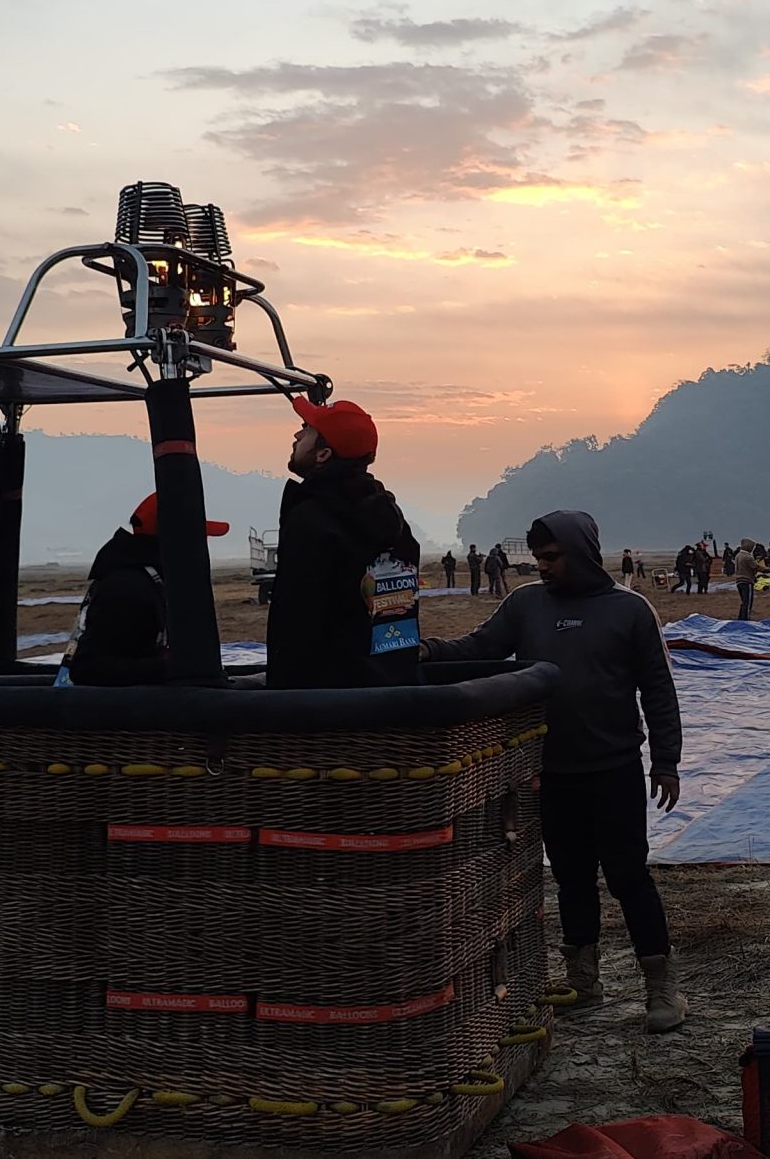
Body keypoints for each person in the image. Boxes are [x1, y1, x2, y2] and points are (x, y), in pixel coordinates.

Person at [425, 511, 686, 1033]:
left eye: (551, 557)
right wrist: (425, 651)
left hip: (613, 770)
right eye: (538, 558)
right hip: (550, 772)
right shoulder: (525, 605)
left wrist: (666, 762)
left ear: (582, 553)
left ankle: (662, 987)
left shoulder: (630, 610)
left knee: (628, 876)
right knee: (570, 876)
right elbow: (478, 649)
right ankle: (583, 979)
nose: (541, 566)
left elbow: (658, 691)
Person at [267, 396, 422, 688]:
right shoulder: (393, 523)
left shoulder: (312, 519)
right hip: (394, 690)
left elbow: (295, 622)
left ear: (323, 454)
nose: (297, 435)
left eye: (306, 429)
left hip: (327, 699)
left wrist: (282, 697)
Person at [59, 494, 230, 686]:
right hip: (114, 705)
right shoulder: (126, 589)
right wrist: (174, 668)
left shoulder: (148, 581)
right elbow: (88, 669)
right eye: (198, 539)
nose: (203, 547)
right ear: (176, 540)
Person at [735, 539, 764, 621]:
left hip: (739, 581)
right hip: (747, 581)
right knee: (748, 602)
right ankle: (746, 619)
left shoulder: (738, 555)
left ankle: (741, 617)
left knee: (744, 601)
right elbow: (756, 567)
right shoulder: (747, 557)